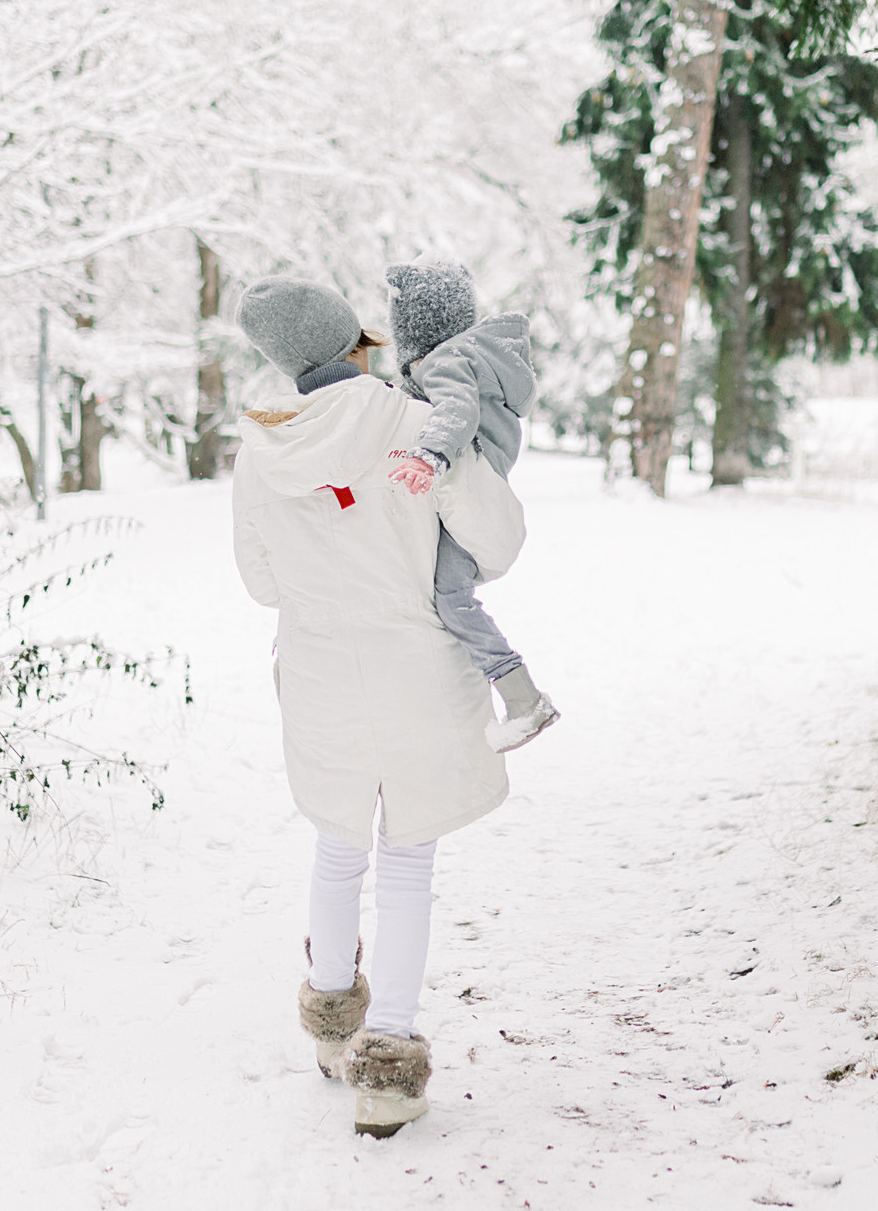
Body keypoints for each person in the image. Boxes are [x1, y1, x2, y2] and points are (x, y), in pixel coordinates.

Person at [230, 275, 528, 1138]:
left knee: (336, 847)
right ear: (359, 343)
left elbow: (259, 583)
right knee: (406, 862)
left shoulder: (263, 450)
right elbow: (498, 541)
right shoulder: (411, 422)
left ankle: (332, 1035)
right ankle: (389, 1071)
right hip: (419, 679)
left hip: (321, 677)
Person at [381, 257, 560, 750]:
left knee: (450, 596)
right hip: (482, 491)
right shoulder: (481, 358)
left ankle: (522, 696)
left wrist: (430, 453)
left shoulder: (443, 362)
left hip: (464, 495)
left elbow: (454, 408)